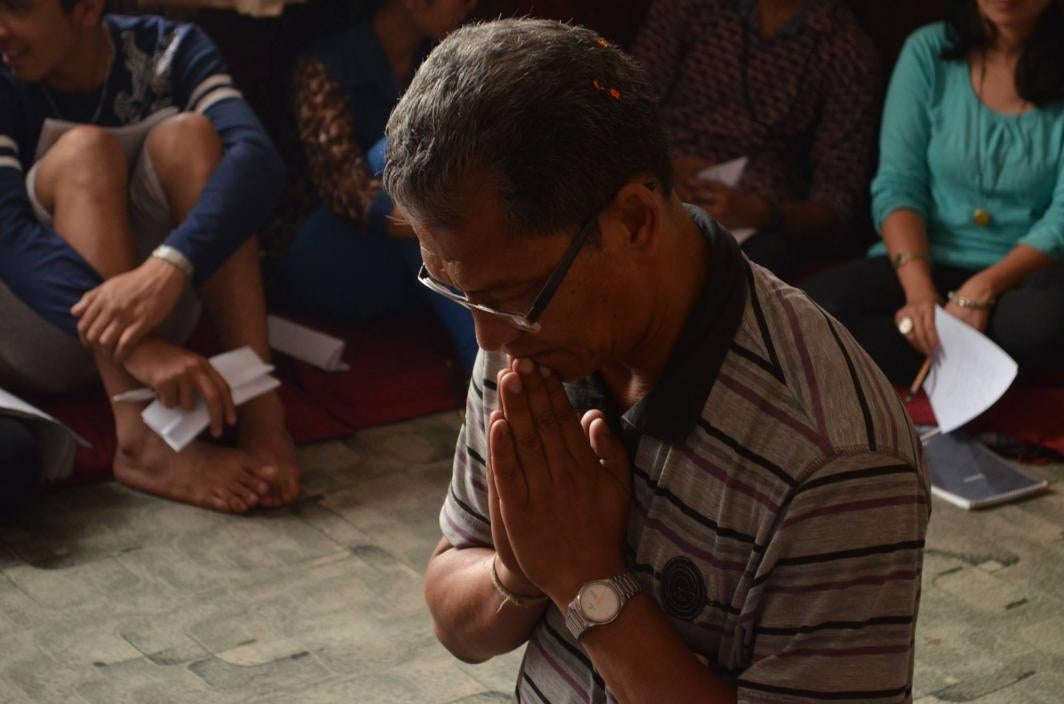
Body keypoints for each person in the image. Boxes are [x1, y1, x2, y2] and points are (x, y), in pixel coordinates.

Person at [386, 18, 929, 702]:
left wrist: (588, 583)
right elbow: (451, 607)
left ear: (635, 221)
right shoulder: (525, 327)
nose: (487, 342)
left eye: (508, 299)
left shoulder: (837, 458)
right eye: (455, 291)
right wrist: (522, 573)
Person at [0, 0, 301, 512]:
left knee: (191, 135)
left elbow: (257, 158)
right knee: (84, 151)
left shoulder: (168, 49)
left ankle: (260, 412)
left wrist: (171, 264)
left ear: (88, 9)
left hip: (154, 309)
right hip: (40, 328)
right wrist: (138, 348)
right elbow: (5, 235)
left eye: (17, 8)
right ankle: (141, 437)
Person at [803, 0, 1064, 384]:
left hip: (1023, 274)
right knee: (811, 312)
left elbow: (1061, 217)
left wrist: (980, 290)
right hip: (923, 258)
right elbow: (898, 184)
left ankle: (947, 358)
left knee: (1044, 324)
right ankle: (969, 362)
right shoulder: (928, 51)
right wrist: (920, 295)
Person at [280, 0, 479, 374]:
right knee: (397, 154)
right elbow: (347, 191)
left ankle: (493, 358)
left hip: (407, 261)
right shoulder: (324, 65)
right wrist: (454, 227)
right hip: (323, 260)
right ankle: (484, 362)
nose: (471, 4)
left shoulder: (439, 61)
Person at [632, 0, 881, 279]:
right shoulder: (690, 7)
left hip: (757, 215)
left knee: (748, 270)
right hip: (657, 174)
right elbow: (627, 106)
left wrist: (763, 213)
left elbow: (837, 204)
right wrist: (662, 166)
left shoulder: (845, 49)